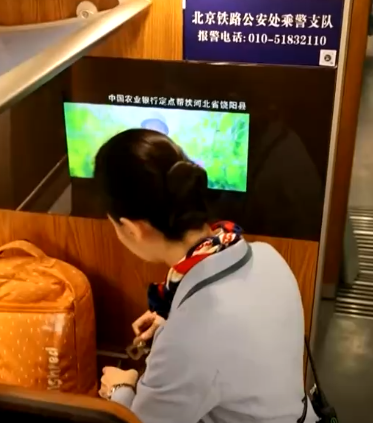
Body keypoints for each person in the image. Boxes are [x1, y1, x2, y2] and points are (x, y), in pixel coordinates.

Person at [92, 128, 318, 423]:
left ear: (134, 229)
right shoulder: (269, 257)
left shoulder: (185, 339)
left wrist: (121, 390)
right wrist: (173, 319)